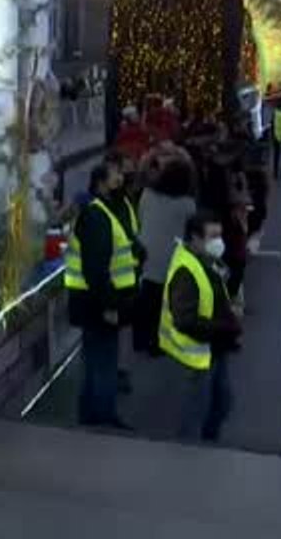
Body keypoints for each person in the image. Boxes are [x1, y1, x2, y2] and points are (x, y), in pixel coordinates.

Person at [65, 163, 138, 429]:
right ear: (100, 182)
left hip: (92, 301)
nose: (121, 177)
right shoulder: (96, 215)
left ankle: (91, 415)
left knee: (96, 359)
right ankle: (103, 418)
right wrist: (109, 305)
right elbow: (96, 268)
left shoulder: (104, 211)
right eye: (116, 174)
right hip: (98, 303)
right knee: (104, 361)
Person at [161, 211, 242, 441]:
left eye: (220, 235)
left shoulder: (206, 260)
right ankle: (191, 450)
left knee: (221, 402)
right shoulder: (186, 271)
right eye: (213, 236)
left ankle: (205, 442)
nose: (219, 242)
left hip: (214, 347)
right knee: (197, 409)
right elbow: (185, 320)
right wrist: (226, 326)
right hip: (199, 352)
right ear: (195, 238)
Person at [134, 152, 197, 355]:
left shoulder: (147, 195)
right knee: (163, 303)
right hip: (171, 259)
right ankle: (158, 342)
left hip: (146, 255)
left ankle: (140, 338)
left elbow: (140, 218)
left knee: (146, 298)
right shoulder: (188, 205)